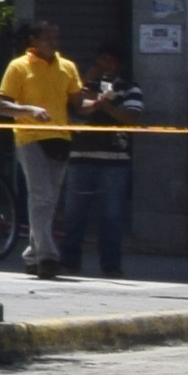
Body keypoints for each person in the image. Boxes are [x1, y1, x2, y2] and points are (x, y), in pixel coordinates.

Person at [0, 13, 82, 277]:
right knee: (41, 196)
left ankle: (32, 254)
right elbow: (2, 106)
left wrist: (101, 101)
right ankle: (48, 257)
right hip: (30, 138)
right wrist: (29, 110)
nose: (53, 42)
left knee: (49, 201)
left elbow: (79, 104)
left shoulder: (67, 67)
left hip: (60, 138)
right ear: (33, 40)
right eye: (47, 37)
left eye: (56, 37)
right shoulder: (18, 66)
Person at [61, 49, 137, 281]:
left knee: (111, 216)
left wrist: (106, 106)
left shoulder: (129, 88)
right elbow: (72, 107)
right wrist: (88, 84)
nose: (105, 66)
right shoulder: (82, 87)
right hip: (81, 157)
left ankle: (111, 265)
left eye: (110, 61)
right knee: (74, 213)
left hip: (114, 161)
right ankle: (69, 261)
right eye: (101, 60)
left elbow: (132, 117)